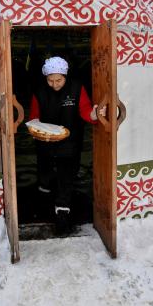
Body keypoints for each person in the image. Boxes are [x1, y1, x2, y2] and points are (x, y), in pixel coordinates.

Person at [28, 56, 106, 235]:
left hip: (70, 141)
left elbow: (85, 110)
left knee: (66, 175)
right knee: (45, 171)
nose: (54, 84)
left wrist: (94, 115)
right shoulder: (39, 91)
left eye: (59, 80)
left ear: (65, 76)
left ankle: (62, 213)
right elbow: (33, 117)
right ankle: (44, 196)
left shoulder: (77, 88)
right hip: (45, 140)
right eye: (50, 80)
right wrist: (36, 129)